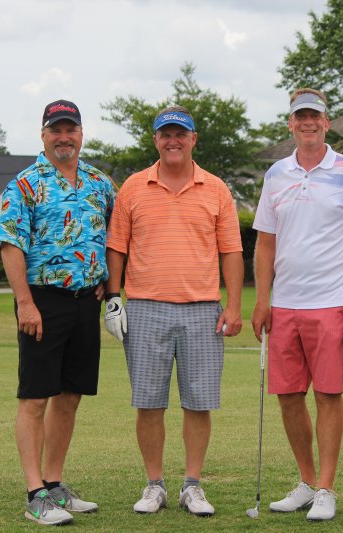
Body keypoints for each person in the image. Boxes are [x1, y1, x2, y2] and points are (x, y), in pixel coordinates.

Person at [104, 105, 244, 518]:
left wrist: (234, 306)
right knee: (149, 402)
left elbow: (231, 251)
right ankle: (154, 485)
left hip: (203, 309)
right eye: (165, 134)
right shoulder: (133, 187)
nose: (173, 141)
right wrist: (113, 298)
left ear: (193, 139)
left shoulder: (216, 189)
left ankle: (192, 485)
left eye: (180, 134)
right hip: (145, 308)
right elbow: (117, 247)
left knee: (199, 403)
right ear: (155, 140)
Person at [251, 88, 343, 521]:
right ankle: (306, 481)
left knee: (328, 394)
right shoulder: (276, 174)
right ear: (291, 123)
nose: (308, 123)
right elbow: (265, 243)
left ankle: (326, 487)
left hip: (331, 302)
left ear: (326, 122)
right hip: (285, 305)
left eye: (315, 116)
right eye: (300, 117)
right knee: (288, 397)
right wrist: (262, 301)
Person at [0, 99, 116, 526]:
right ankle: (35, 495)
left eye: (71, 129)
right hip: (42, 302)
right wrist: (25, 302)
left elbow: (115, 238)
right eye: (56, 129)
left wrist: (107, 281)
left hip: (86, 302)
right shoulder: (26, 184)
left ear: (81, 133)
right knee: (35, 397)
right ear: (43, 135)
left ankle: (54, 483)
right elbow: (11, 244)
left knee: (70, 395)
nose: (64, 137)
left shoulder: (100, 183)